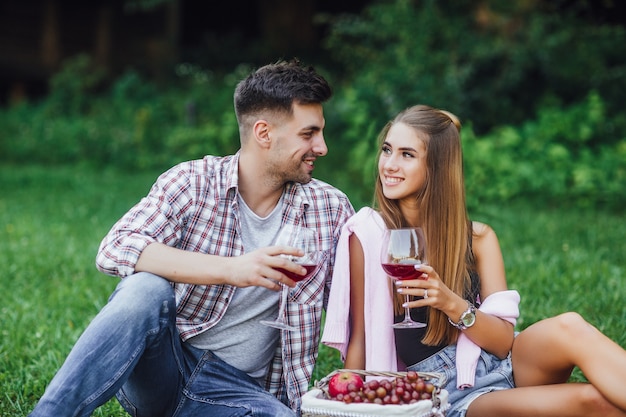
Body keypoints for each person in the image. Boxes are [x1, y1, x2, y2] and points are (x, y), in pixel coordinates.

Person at [29, 59, 355, 417]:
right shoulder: (194, 182)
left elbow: (355, 308)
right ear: (264, 133)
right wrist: (231, 269)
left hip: (241, 393)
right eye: (308, 134)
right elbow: (115, 247)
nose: (322, 147)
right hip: (166, 368)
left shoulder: (330, 208)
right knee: (144, 290)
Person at [321, 104, 626, 417]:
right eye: (387, 150)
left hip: (505, 361)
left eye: (407, 155)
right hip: (447, 391)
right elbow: (360, 337)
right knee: (597, 403)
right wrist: (349, 402)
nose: (389, 164)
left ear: (437, 167)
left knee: (570, 325)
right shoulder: (370, 234)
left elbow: (503, 341)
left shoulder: (478, 238)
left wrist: (451, 303)